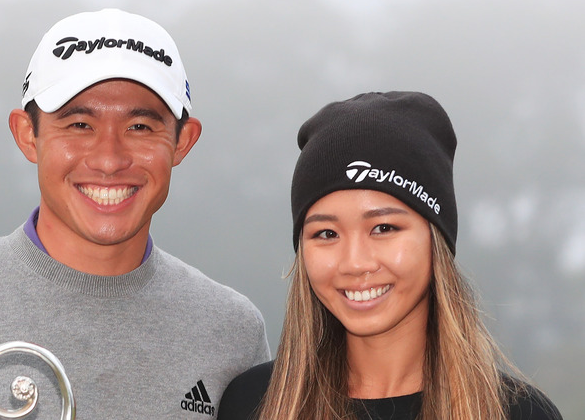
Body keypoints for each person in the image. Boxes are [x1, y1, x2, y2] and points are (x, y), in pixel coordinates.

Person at [0, 8, 270, 419]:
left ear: (182, 142)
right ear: (27, 135)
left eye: (140, 127)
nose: (109, 159)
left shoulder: (232, 331)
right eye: (79, 126)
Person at [217, 91, 562, 420]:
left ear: (435, 237)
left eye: (383, 228)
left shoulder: (518, 413)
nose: (355, 263)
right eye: (327, 234)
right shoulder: (250, 404)